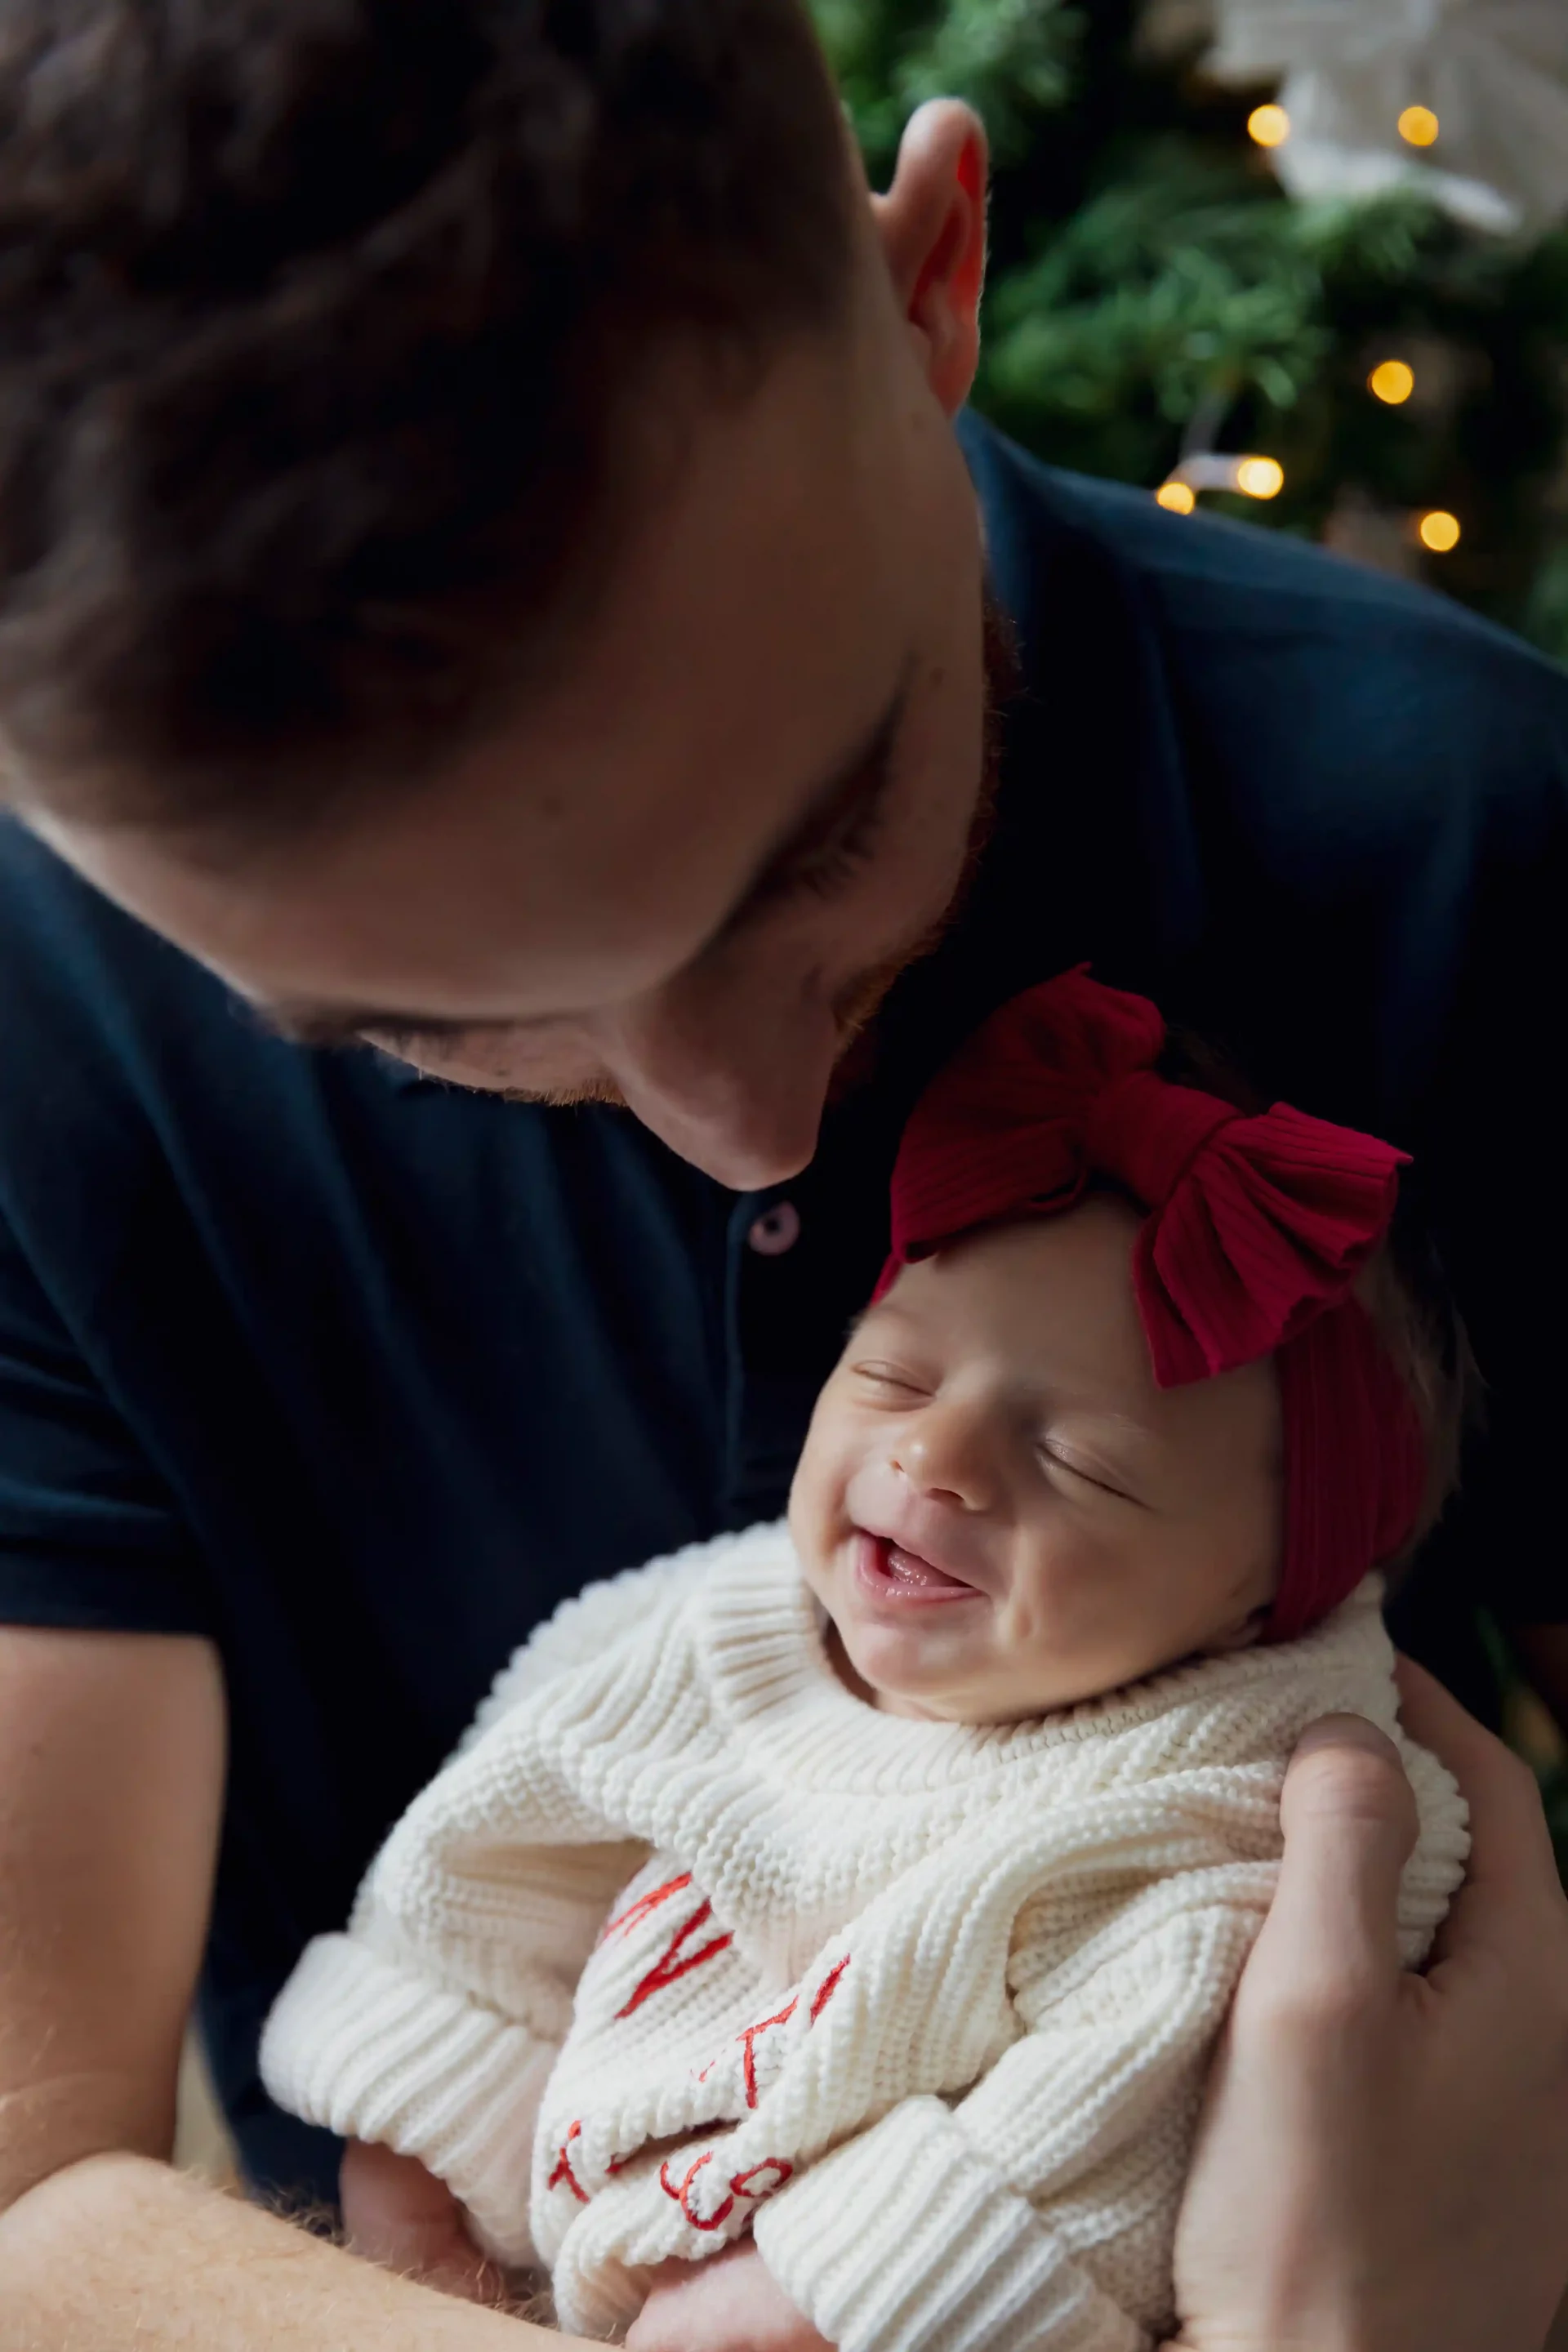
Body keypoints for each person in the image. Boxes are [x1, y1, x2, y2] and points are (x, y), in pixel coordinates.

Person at [1, 2, 1567, 2346]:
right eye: (423, 1024)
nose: (749, 1127)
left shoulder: (1479, 844)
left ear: (936, 276)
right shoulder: (47, 1012)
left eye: (811, 853)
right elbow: (31, 2193)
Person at [258, 972, 1471, 2352]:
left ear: (1272, 1594)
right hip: (552, 2235)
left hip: (881, 2288)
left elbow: (1140, 2100)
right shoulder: (718, 1631)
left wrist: (815, 2291)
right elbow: (494, 1856)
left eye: (1073, 1460)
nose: (932, 1459)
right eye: (892, 1375)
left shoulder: (1221, 1811)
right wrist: (427, 2114)